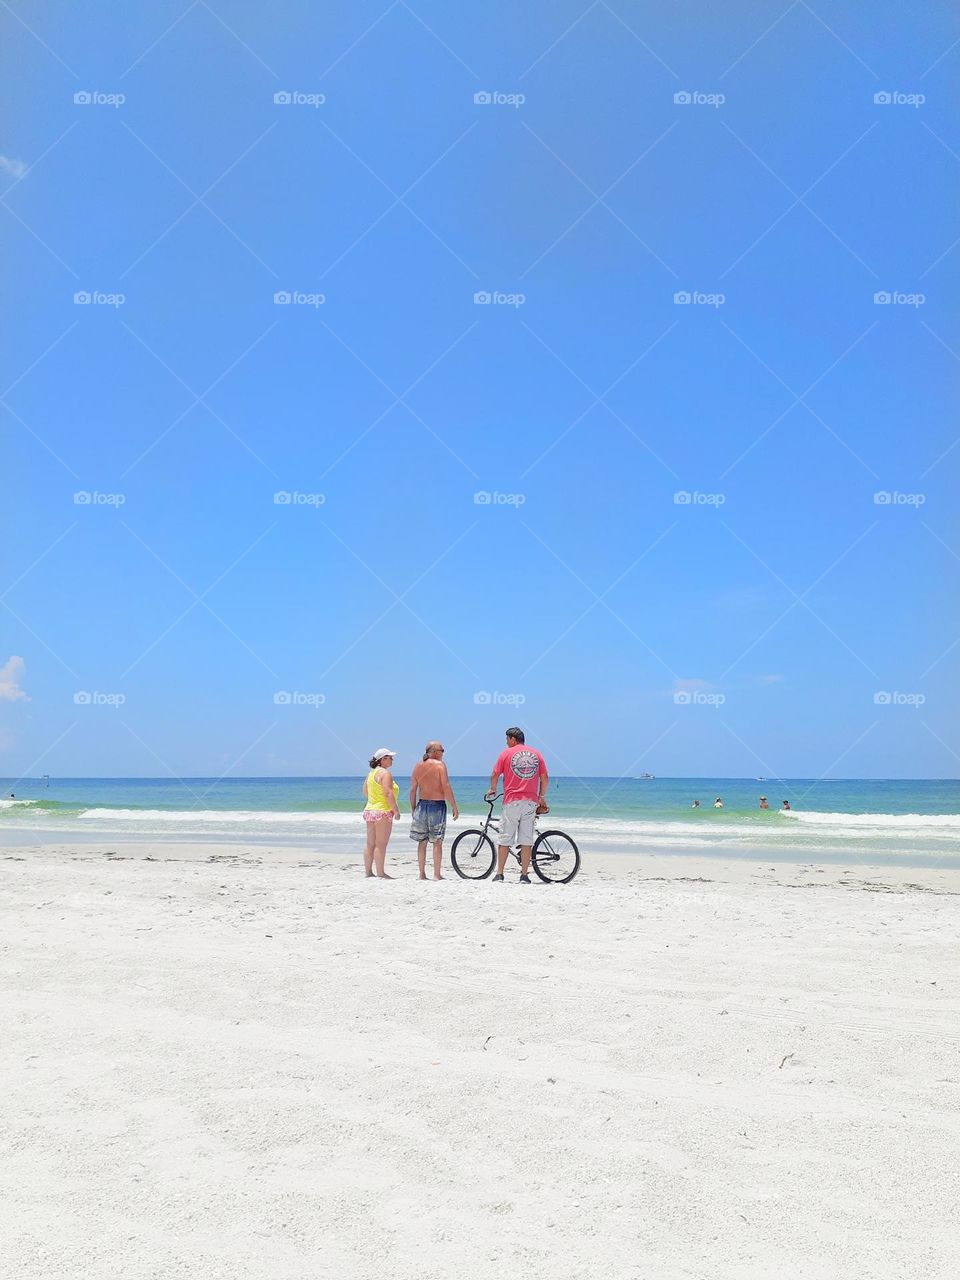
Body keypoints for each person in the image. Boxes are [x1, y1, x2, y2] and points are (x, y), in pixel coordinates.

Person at [485, 727, 548, 884]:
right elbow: (544, 777)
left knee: (505, 837)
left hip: (512, 800)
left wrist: (493, 789)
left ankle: (499, 874)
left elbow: (494, 774)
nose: (506, 742)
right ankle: (524, 875)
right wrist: (541, 796)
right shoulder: (536, 754)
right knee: (526, 839)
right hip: (530, 801)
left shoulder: (505, 753)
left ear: (513, 739)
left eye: (507, 739)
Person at [409, 741, 459, 880]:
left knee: (422, 841)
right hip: (437, 806)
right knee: (437, 841)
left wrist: (413, 808)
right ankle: (436, 874)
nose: (443, 753)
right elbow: (446, 787)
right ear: (435, 751)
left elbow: (413, 789)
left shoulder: (417, 766)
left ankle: (422, 874)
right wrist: (454, 806)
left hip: (422, 805)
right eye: (442, 750)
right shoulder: (440, 765)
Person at [361, 748, 401, 878]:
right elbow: (388, 793)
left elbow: (365, 791)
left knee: (370, 843)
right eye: (390, 757)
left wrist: (374, 800)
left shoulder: (371, 774)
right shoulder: (385, 774)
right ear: (383, 759)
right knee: (381, 843)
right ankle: (380, 873)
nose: (392, 760)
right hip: (382, 811)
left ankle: (368, 872)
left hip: (370, 810)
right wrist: (395, 810)